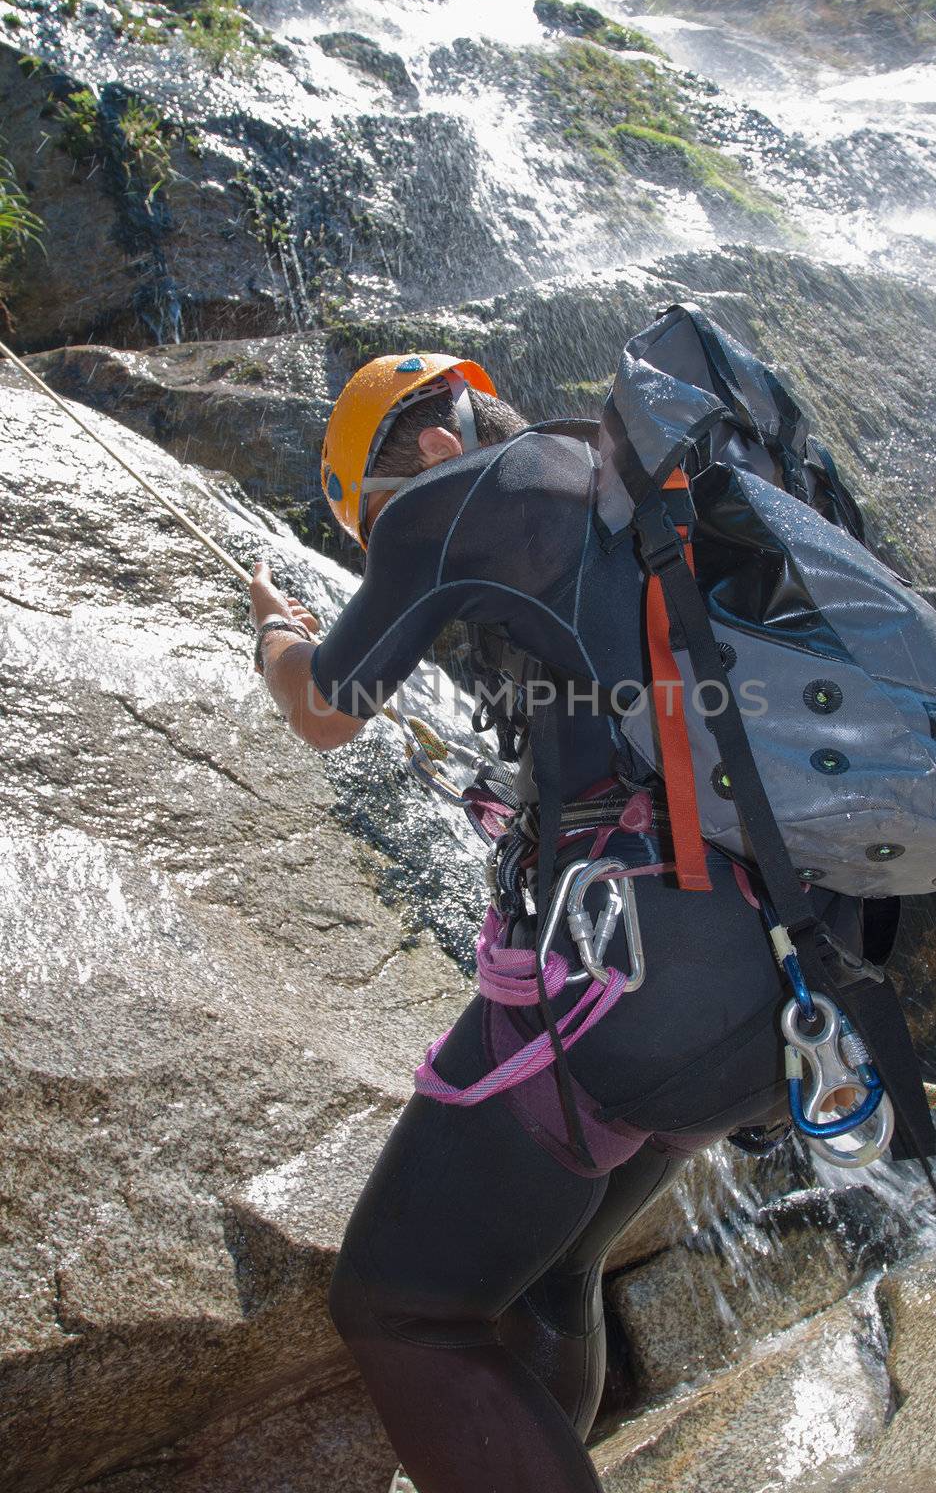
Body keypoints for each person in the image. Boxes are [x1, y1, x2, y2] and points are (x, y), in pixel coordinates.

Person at [247, 351, 869, 1493]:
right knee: (543, 1270)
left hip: (635, 998)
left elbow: (324, 712)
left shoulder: (464, 494)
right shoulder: (632, 509)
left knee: (402, 1305)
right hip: (782, 982)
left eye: (374, 521)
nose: (389, 544)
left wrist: (277, 635)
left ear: (429, 446)